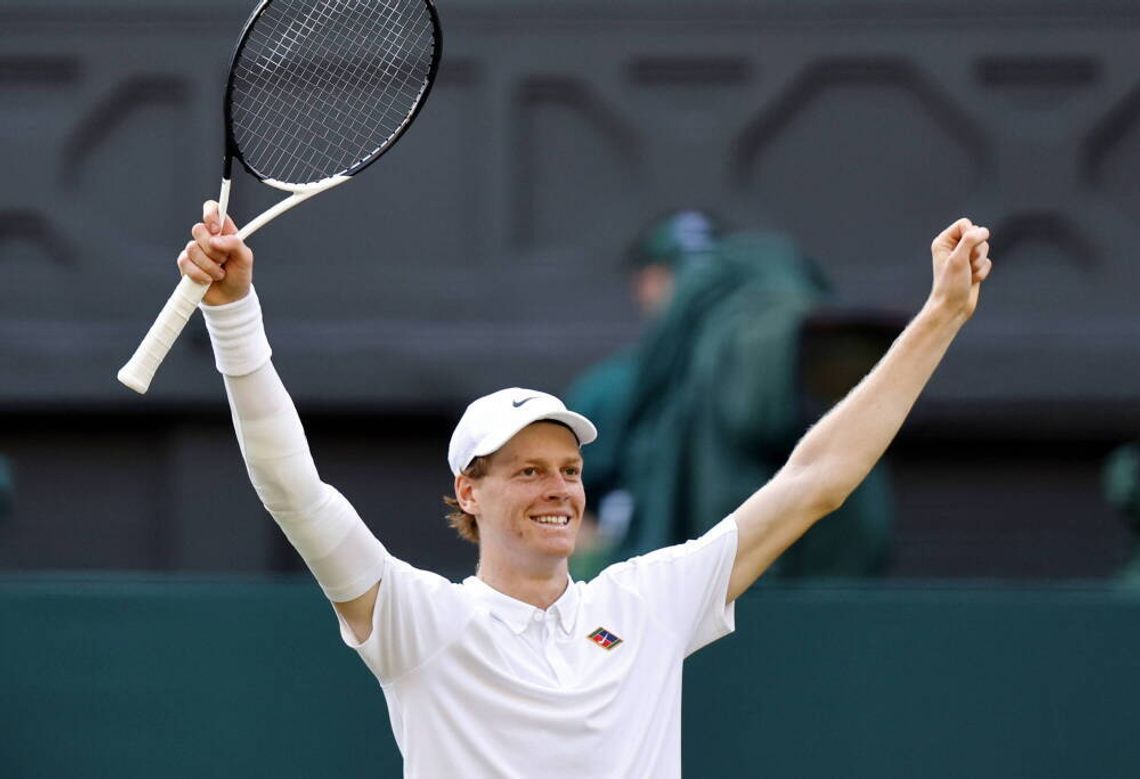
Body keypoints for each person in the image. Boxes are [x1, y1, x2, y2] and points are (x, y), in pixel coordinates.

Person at [179, 201, 992, 777]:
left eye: (568, 469)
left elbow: (817, 480)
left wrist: (942, 316)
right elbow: (294, 490)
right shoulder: (419, 619)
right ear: (470, 490)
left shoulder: (647, 600)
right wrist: (234, 314)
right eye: (528, 470)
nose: (559, 489)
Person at [566, 211, 894, 579]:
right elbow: (563, 500)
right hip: (680, 599)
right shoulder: (618, 387)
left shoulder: (795, 347)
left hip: (772, 590)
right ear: (646, 283)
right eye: (682, 275)